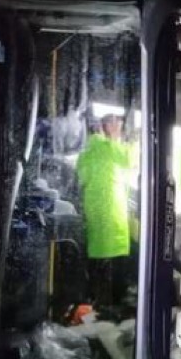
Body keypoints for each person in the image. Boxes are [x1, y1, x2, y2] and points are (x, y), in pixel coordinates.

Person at [76, 114, 135, 310]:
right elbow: (130, 161)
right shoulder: (110, 148)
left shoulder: (85, 152)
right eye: (117, 124)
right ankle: (114, 304)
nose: (119, 128)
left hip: (94, 212)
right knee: (116, 258)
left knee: (98, 259)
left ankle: (96, 301)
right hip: (113, 214)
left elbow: (81, 179)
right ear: (106, 127)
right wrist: (118, 139)